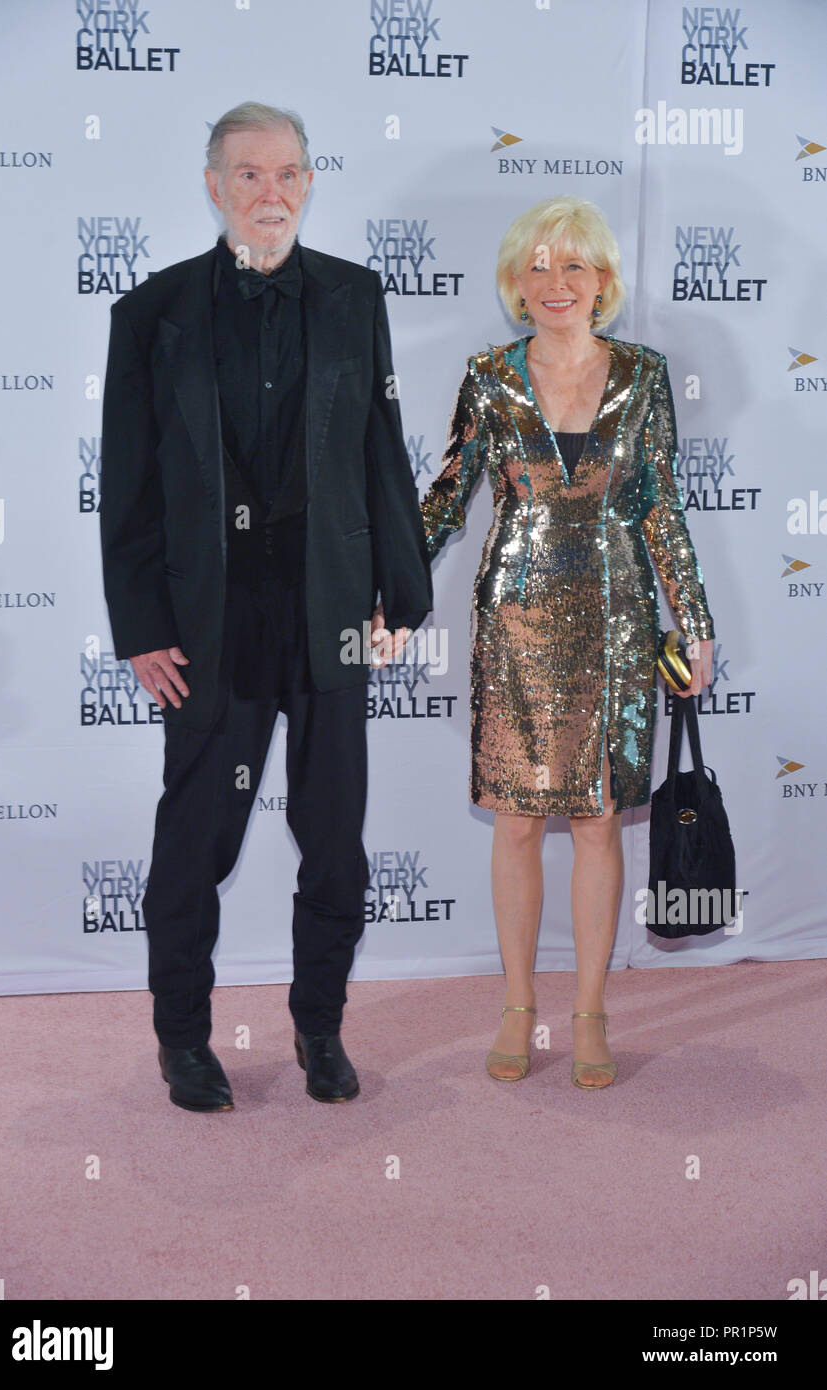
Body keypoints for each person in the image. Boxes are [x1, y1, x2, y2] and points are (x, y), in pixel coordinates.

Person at [99, 101, 430, 1111]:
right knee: (196, 838)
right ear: (213, 187)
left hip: (327, 606)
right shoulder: (150, 312)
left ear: (309, 183)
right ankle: (182, 1039)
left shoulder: (352, 296)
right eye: (248, 175)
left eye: (287, 173)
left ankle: (319, 1029)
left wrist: (403, 596)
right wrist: (142, 625)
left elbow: (379, 442)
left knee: (334, 834)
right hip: (210, 617)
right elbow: (129, 482)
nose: (270, 192)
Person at [416, 196, 714, 1089]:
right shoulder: (488, 375)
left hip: (619, 623)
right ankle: (517, 1007)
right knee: (514, 822)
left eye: (573, 265)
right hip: (515, 622)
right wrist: (379, 591)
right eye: (537, 266)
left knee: (593, 823)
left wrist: (691, 620)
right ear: (514, 283)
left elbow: (659, 505)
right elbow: (445, 496)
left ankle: (588, 1014)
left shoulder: (643, 373)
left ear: (602, 282)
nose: (555, 282)